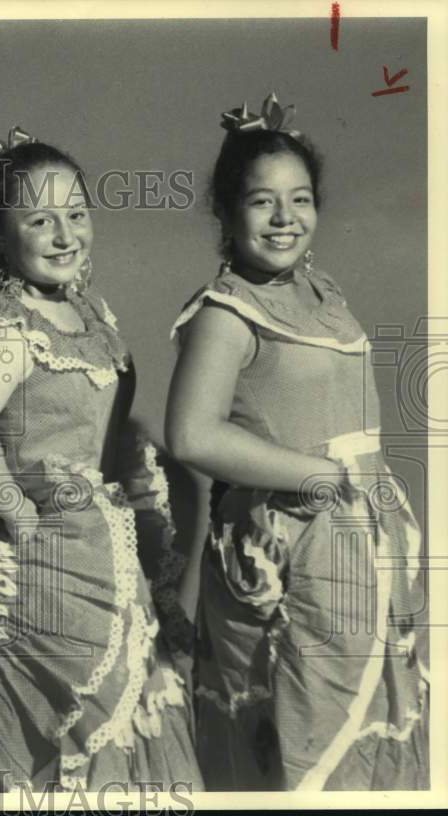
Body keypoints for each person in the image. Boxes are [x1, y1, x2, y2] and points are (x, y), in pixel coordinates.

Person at [0, 129, 203, 792]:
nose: (63, 234)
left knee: (128, 716)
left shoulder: (93, 320)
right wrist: (15, 508)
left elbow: (110, 443)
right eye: (39, 219)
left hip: (100, 558)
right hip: (39, 567)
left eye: (76, 215)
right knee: (68, 733)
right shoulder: (10, 323)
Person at [165, 93, 429, 790]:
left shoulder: (324, 293)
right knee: (309, 745)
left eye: (301, 199)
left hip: (364, 544)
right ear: (225, 214)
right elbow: (191, 434)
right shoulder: (227, 310)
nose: (286, 219)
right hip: (297, 545)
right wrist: (320, 478)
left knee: (381, 740)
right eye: (261, 203)